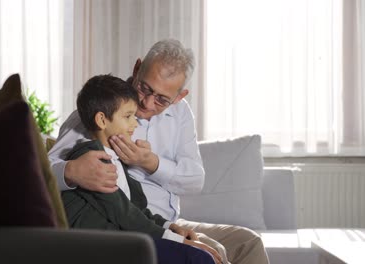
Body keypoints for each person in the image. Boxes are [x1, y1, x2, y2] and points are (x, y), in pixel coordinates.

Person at [49, 39, 269, 264]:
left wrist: (150, 163)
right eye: (144, 88)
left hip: (166, 221)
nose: (146, 102)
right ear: (137, 69)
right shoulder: (101, 111)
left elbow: (195, 180)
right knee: (212, 251)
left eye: (162, 99)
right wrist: (71, 171)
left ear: (178, 97)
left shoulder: (180, 114)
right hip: (134, 228)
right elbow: (41, 171)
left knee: (249, 242)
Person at [63, 74, 219, 264]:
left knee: (201, 255)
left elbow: (137, 209)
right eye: (128, 116)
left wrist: (169, 226)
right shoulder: (91, 161)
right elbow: (125, 215)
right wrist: (181, 242)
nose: (135, 124)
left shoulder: (116, 159)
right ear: (102, 120)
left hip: (124, 239)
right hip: (101, 246)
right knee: (196, 257)